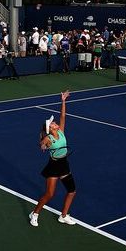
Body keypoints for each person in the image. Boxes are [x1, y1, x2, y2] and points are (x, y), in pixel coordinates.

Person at [30, 91, 78, 227]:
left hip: (64, 164)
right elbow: (42, 144)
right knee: (50, 194)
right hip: (54, 166)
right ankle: (35, 214)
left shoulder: (61, 131)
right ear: (50, 129)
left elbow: (63, 115)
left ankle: (64, 216)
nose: (55, 122)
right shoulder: (48, 138)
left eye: (54, 122)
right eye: (52, 124)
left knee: (72, 191)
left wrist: (63, 101)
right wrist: (43, 145)